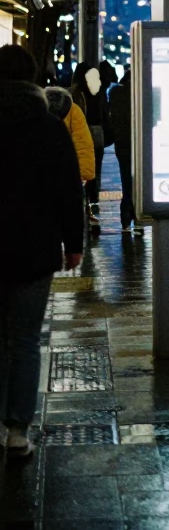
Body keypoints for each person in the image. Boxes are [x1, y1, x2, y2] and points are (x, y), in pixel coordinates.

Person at [0, 44, 84, 458]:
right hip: (34, 249)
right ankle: (18, 431)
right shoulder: (49, 127)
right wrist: (75, 244)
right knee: (26, 339)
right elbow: (69, 189)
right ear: (34, 77)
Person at [71, 63, 113, 230]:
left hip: (79, 137)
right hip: (96, 137)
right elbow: (104, 116)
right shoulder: (98, 92)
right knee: (95, 173)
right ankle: (93, 209)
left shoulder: (73, 94)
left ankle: (82, 207)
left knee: (79, 174)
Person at [108, 68, 142, 234]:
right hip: (140, 144)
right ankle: (138, 218)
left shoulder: (115, 94)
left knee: (126, 181)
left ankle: (125, 220)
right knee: (139, 182)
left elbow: (111, 118)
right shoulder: (141, 94)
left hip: (122, 144)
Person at [44, 86, 96, 187]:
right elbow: (83, 144)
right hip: (69, 171)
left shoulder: (37, 111)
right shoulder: (73, 111)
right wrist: (83, 174)